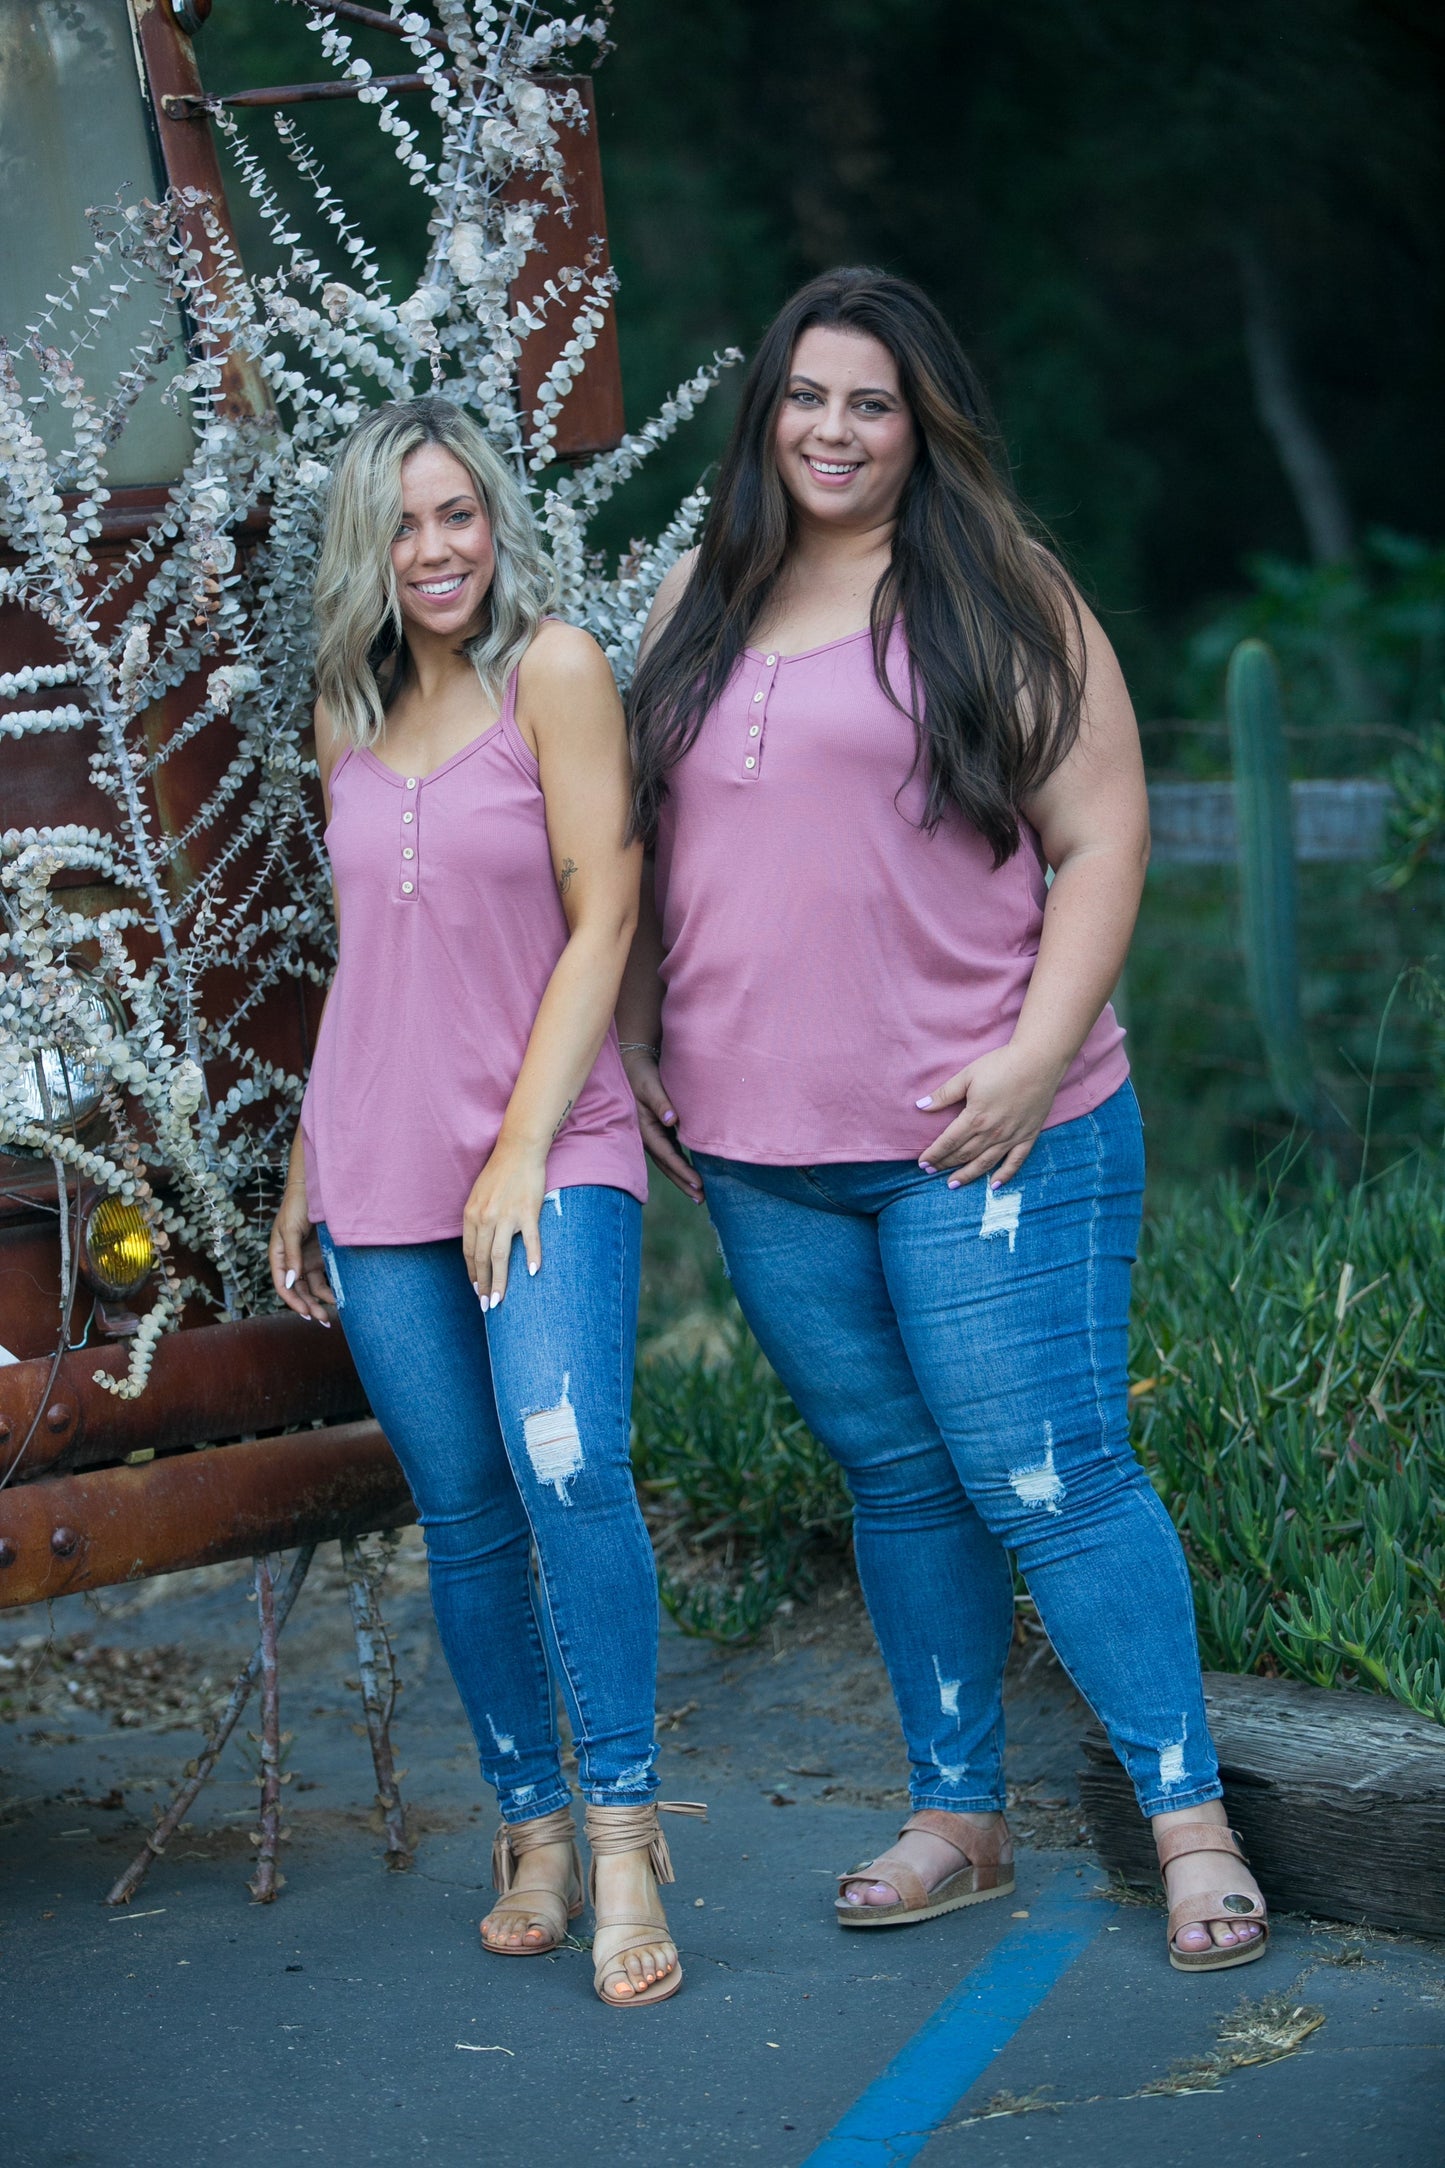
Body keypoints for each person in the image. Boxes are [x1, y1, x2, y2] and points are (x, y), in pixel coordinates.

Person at [619, 270, 1267, 1974]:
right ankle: (954, 1819)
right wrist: (637, 1039)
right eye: (806, 396)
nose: (832, 430)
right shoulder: (697, 597)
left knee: (1044, 1475)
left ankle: (1188, 1823)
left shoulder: (996, 593)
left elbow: (1105, 835)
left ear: (922, 427)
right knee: (900, 1484)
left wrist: (1037, 1058)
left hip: (980, 1130)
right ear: (764, 411)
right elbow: (636, 847)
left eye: (872, 403)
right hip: (762, 1150)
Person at [269, 395, 699, 2009]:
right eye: (404, 522)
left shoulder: (558, 673)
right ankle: (524, 1824)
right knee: (458, 1510)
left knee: (567, 1462)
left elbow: (606, 914)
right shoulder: (347, 708)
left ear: (495, 523)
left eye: (458, 515)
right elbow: (361, 961)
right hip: (376, 1164)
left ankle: (622, 1829)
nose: (435, 549)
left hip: (548, 1145)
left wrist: (520, 1146)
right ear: (364, 549)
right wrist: (312, 1163)